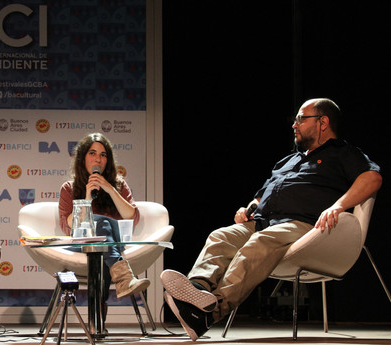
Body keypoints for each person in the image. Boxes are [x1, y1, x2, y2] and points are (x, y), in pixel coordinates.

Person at [160, 98, 383, 340]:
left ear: (323, 122)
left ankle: (210, 312)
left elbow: (372, 178)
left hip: (304, 226)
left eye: (300, 118)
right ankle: (197, 290)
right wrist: (249, 207)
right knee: (220, 236)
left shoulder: (343, 153)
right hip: (263, 222)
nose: (294, 125)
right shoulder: (288, 160)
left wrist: (338, 206)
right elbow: (262, 195)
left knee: (258, 244)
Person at [58, 133, 150, 302]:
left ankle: (98, 319)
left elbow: (132, 216)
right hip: (81, 246)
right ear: (83, 158)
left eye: (103, 154)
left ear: (108, 160)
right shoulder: (69, 188)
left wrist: (110, 188)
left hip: (111, 246)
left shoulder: (119, 185)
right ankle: (123, 279)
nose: (98, 159)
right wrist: (87, 198)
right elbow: (68, 225)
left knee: (103, 247)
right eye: (92, 153)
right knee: (102, 223)